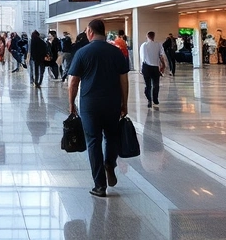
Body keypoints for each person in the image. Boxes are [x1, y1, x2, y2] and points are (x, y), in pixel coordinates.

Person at [67, 19, 129, 198]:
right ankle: (110, 163)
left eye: (87, 31)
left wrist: (71, 103)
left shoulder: (82, 52)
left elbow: (73, 81)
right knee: (111, 137)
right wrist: (124, 103)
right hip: (112, 103)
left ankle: (100, 186)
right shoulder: (116, 52)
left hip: (90, 105)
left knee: (93, 141)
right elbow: (123, 81)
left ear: (90, 32)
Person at [139, 31, 167, 109]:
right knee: (156, 85)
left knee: (148, 85)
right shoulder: (158, 45)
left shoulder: (143, 45)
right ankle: (155, 99)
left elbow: (142, 58)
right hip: (155, 67)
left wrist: (141, 69)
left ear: (147, 36)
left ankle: (149, 100)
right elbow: (161, 56)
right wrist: (163, 65)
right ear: (153, 36)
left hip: (146, 67)